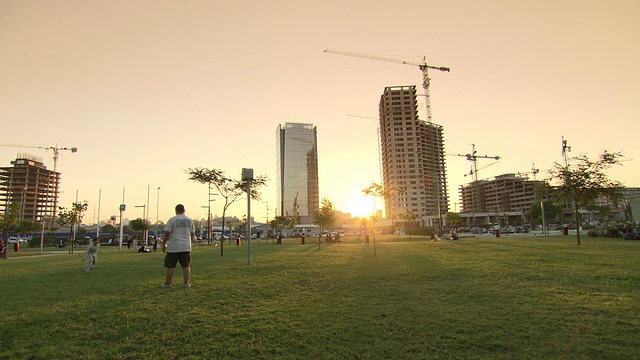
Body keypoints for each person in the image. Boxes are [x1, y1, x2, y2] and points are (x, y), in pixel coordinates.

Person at [161, 204, 196, 289]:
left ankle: (168, 284)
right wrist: (189, 243)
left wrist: (163, 243)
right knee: (186, 265)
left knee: (171, 266)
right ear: (184, 210)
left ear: (176, 211)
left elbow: (167, 233)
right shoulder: (190, 220)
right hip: (186, 246)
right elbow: (192, 234)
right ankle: (186, 284)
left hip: (174, 246)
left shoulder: (172, 220)